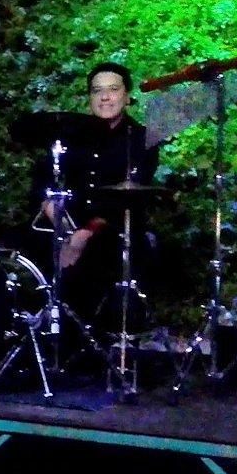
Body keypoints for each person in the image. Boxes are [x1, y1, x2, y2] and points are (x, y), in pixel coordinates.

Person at [27, 62, 160, 328]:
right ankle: (34, 330)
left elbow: (132, 197)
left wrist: (84, 234)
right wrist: (62, 227)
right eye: (97, 91)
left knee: (93, 261)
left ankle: (84, 335)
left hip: (114, 229)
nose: (105, 97)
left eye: (113, 90)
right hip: (65, 225)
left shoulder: (142, 139)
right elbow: (43, 183)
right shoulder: (70, 135)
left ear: (127, 96)